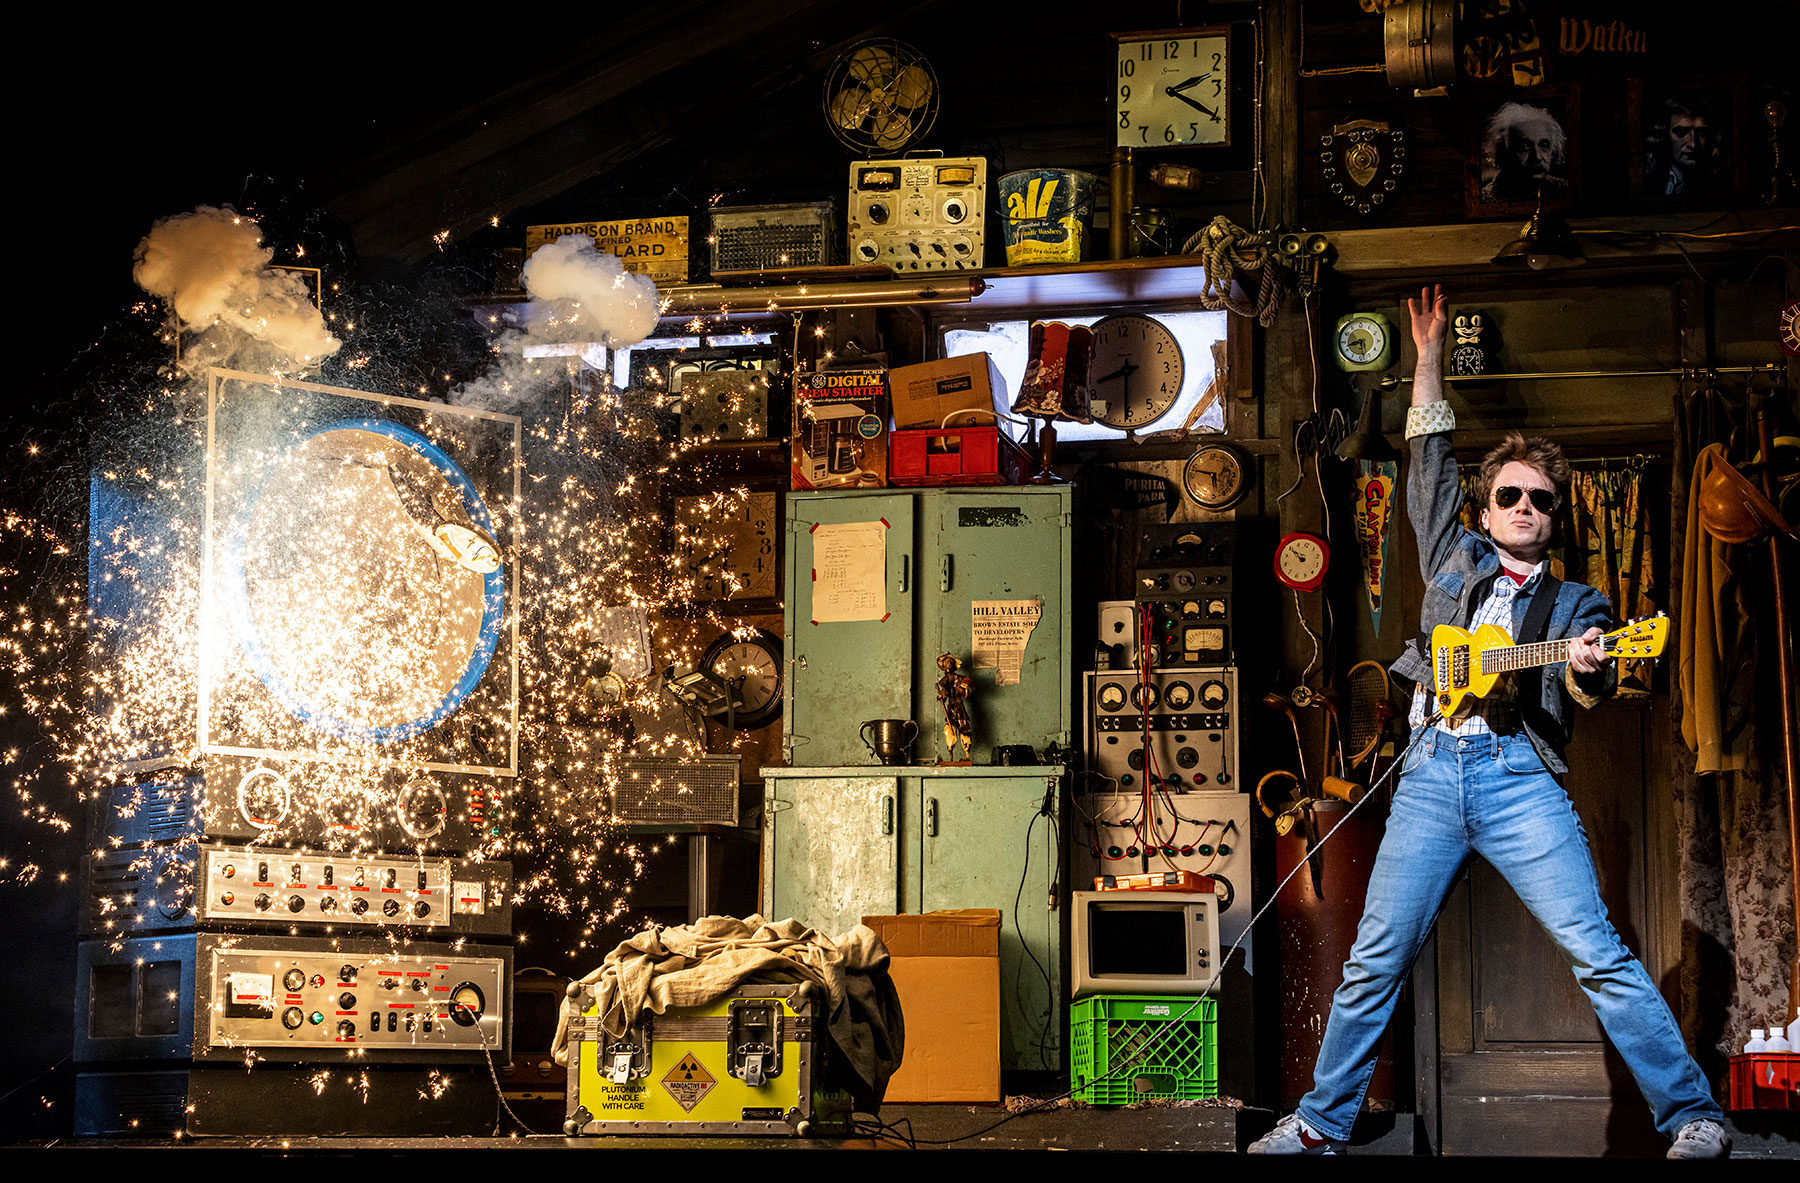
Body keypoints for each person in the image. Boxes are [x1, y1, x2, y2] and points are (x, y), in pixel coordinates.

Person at [1248, 285, 1730, 1159]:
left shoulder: (1578, 598)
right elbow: (1427, 468)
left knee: (1600, 953)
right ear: (1484, 506)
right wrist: (1426, 358)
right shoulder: (1452, 559)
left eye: (1542, 499)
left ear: (1553, 515)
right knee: (1373, 960)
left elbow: (1590, 688)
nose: (1525, 507)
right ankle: (1319, 1124)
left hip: (1518, 780)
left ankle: (1692, 1115)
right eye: (1510, 493)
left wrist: (1590, 665)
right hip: (1431, 777)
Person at [1480, 101, 1570, 203]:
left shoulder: (1566, 190)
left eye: (1544, 145)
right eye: (1524, 146)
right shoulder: (1485, 201)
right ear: (1502, 152)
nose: (1537, 157)